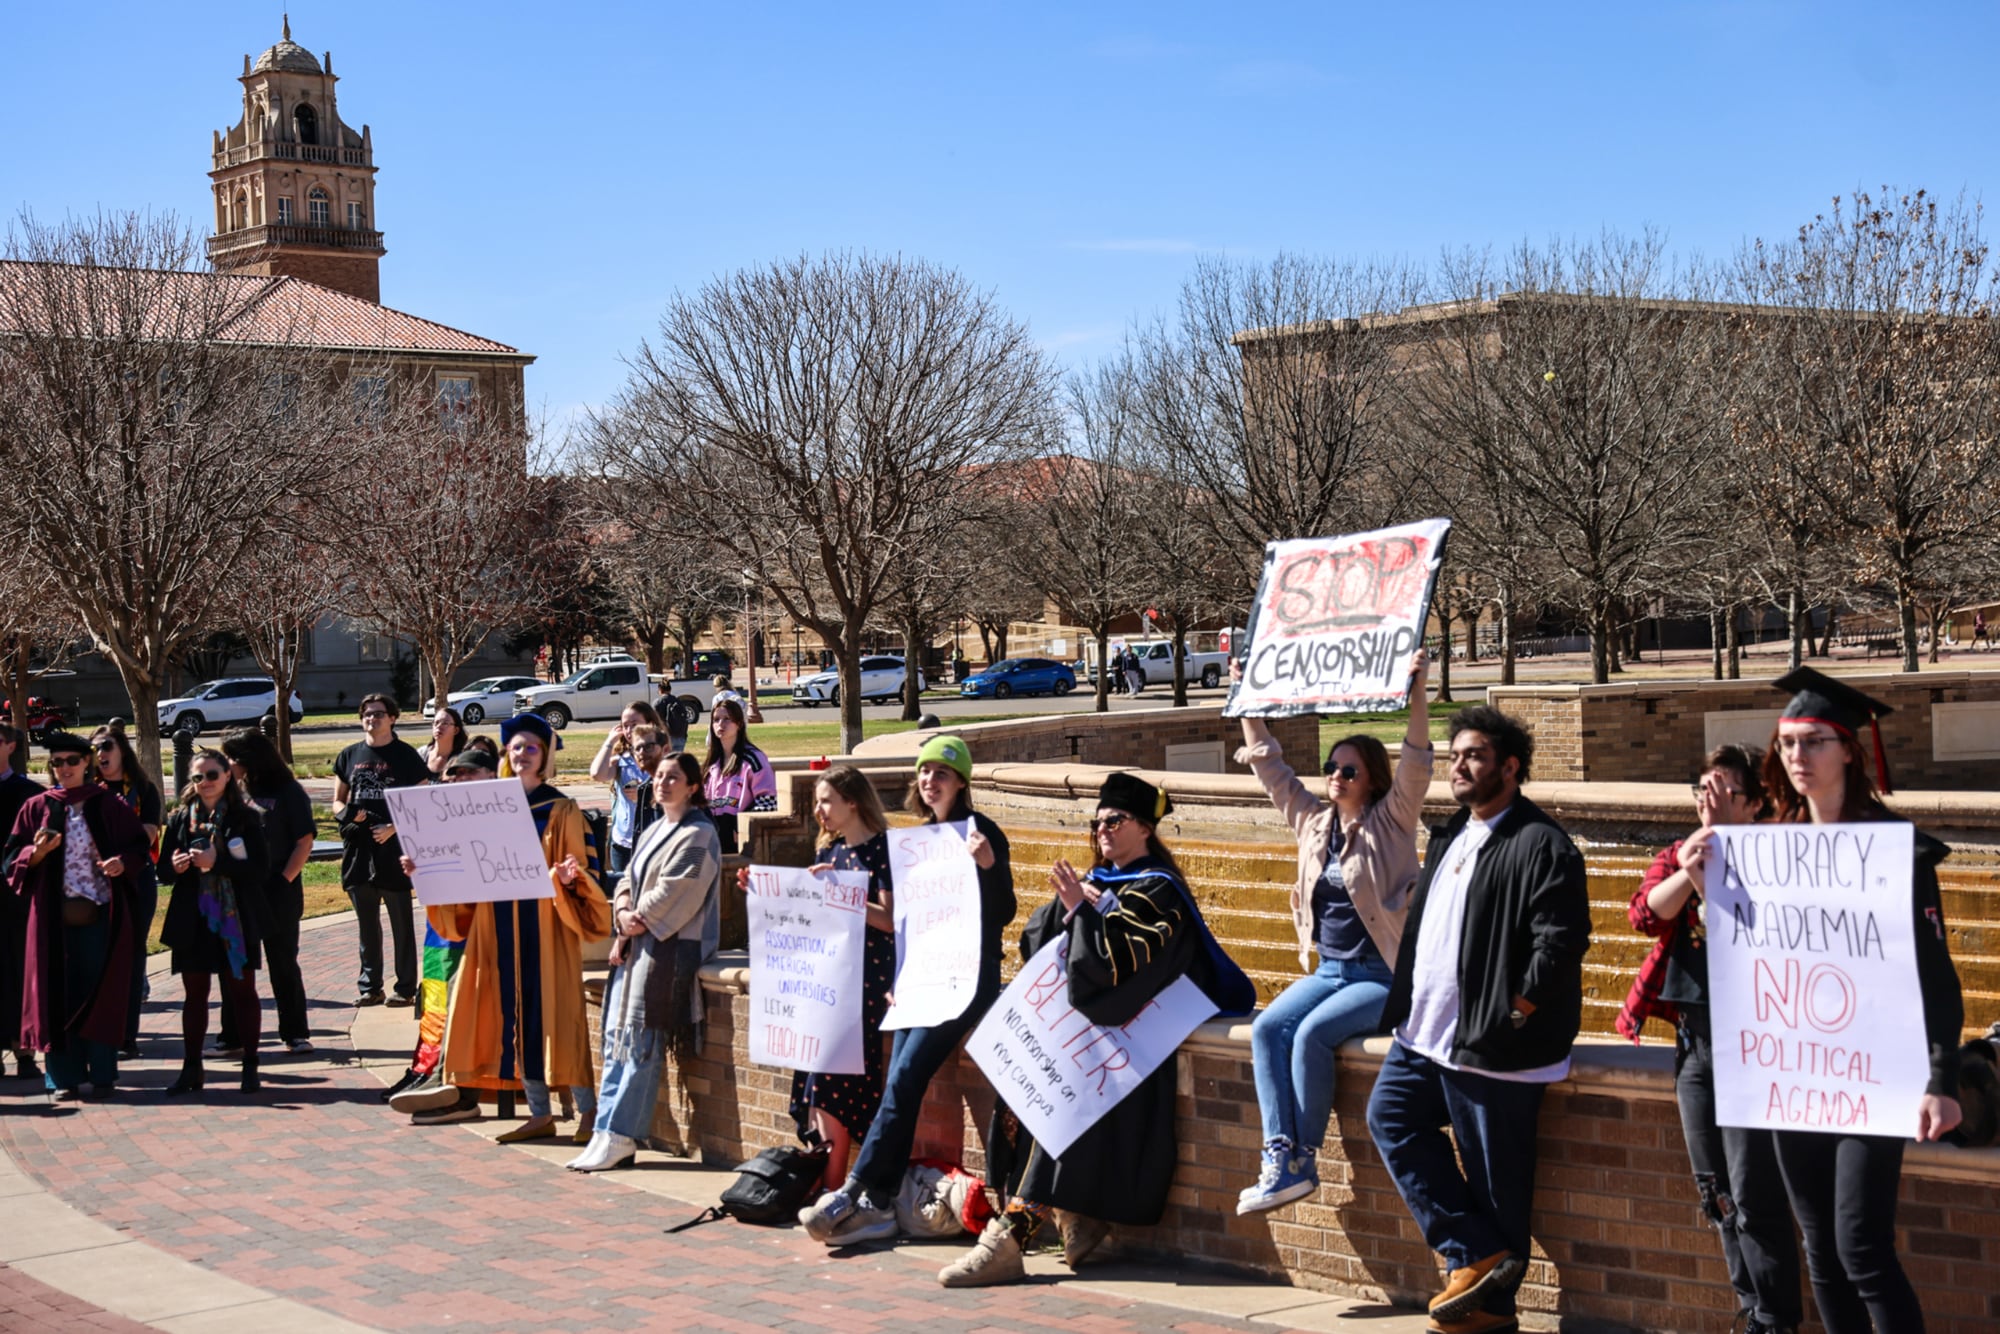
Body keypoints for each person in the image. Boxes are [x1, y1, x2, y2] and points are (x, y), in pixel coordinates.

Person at [940, 772, 1256, 1287]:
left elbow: (1114, 970)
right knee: (1032, 1101)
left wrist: (1081, 912)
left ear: (1146, 830)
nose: (1103, 829)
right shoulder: (1103, 880)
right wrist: (1070, 909)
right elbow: (1037, 944)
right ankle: (1078, 1217)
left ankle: (1008, 1239)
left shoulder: (1160, 894)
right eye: (1099, 820)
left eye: (1116, 820)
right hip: (1088, 1049)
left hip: (1130, 1061)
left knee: (1064, 1113)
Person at [1746, 668, 1963, 1334]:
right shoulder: (1771, 850)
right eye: (1788, 745)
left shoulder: (1895, 853)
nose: (1798, 758)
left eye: (1814, 742)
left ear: (1847, 750)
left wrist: (1941, 1079)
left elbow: (1937, 977)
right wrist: (1713, 888)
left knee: (1860, 1246)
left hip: (1877, 1071)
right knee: (1821, 1251)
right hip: (1798, 1071)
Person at [1364, 705, 1590, 1334]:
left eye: (1475, 756)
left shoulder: (1540, 843)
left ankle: (1492, 1311)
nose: (1459, 766)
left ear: (1509, 767)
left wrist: (1516, 1011)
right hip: (1425, 1036)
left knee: (1498, 1185)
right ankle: (1472, 1255)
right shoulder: (1450, 834)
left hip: (1496, 1046)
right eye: (1455, 755)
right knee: (1391, 1119)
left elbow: (1562, 940)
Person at [798, 735, 1017, 1245]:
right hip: (924, 975)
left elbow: (1003, 913)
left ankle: (858, 1191)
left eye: (941, 772)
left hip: (967, 978)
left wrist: (988, 868)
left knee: (904, 1079)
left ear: (961, 781)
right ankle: (878, 1200)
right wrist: (902, 980)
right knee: (901, 1079)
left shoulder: (982, 834)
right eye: (924, 772)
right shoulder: (920, 840)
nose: (930, 780)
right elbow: (911, 923)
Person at [1235, 652, 1432, 1214]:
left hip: (1382, 974)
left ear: (1371, 780)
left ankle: (1302, 1160)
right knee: (1268, 1028)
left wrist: (1417, 691)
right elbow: (1270, 767)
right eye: (1332, 767)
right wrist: (1248, 700)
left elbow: (1418, 760)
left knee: (1311, 1035)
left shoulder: (1392, 823)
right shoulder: (1313, 823)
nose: (1336, 776)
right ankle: (1278, 1153)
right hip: (1329, 970)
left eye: (1349, 770)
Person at [1616, 743, 1801, 1334]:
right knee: (1715, 1192)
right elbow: (1644, 913)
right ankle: (1749, 1311)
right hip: (1696, 1046)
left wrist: (1713, 876)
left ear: (1754, 804)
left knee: (1754, 1194)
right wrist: (1691, 871)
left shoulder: (1778, 858)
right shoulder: (1679, 852)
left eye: (1722, 792)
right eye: (1702, 790)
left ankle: (1776, 1319)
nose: (1708, 801)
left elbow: (1761, 937)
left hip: (1753, 1047)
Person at [428, 712, 612, 1143]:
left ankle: (588, 1112)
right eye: (517, 747)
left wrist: (570, 877)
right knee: (514, 1018)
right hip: (498, 926)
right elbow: (468, 871)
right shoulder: (490, 809)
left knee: (559, 1018)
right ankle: (539, 1113)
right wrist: (428, 869)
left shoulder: (562, 808)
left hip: (547, 926)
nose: (524, 754)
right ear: (506, 755)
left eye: (533, 747)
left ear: (544, 756)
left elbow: (587, 873)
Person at [569, 750, 722, 1171]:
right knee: (619, 1040)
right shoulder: (654, 829)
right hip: (635, 946)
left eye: (674, 778)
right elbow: (626, 881)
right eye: (660, 777)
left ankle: (621, 1135)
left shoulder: (700, 833)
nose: (663, 783)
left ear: (693, 787)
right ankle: (603, 1130)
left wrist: (639, 918)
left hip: (669, 953)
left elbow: (683, 886)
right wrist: (622, 914)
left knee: (641, 1044)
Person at [4, 731, 149, 1100]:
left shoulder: (108, 805)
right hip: (52, 920)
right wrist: (35, 855)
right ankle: (63, 1078)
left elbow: (138, 849)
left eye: (71, 761)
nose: (64, 768)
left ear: (87, 763)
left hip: (100, 917)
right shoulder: (37, 807)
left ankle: (102, 1074)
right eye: (56, 762)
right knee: (57, 995)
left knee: (100, 993)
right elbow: (10, 858)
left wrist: (121, 864)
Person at [786, 765, 897, 1191]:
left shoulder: (883, 851)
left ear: (853, 801)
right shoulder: (829, 853)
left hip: (864, 983)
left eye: (827, 800)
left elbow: (888, 920)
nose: (819, 810)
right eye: (816, 801)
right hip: (826, 982)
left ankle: (834, 1187)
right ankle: (822, 1180)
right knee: (813, 1078)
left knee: (833, 1084)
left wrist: (840, 893)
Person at [392, 746, 499, 1121]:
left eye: (469, 772)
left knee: (464, 1007)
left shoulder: (501, 817)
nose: (458, 779)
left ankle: (453, 1082)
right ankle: (426, 1069)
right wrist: (417, 869)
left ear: (491, 775)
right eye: (453, 774)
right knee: (436, 1000)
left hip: (484, 930)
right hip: (441, 932)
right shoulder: (437, 819)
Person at [158, 748, 271, 1095]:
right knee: (194, 995)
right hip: (193, 917)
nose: (204, 783)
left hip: (235, 918)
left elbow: (259, 869)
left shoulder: (246, 817)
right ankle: (192, 1067)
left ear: (227, 776)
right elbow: (162, 870)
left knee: (242, 992)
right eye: (197, 777)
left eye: (211, 775)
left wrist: (215, 862)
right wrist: (176, 866)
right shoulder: (180, 818)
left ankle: (250, 1065)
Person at [219, 729, 316, 1056]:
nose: (227, 763)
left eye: (231, 757)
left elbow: (304, 842)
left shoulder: (289, 792)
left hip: (278, 890)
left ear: (249, 759)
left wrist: (283, 880)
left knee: (283, 963)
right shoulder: (232, 792)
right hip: (239, 891)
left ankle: (295, 1033)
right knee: (235, 964)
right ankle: (231, 1035)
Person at [331, 694, 431, 1006]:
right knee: (366, 928)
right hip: (360, 854)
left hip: (394, 853)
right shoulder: (349, 755)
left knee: (401, 924)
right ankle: (370, 987)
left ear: (393, 718)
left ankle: (404, 988)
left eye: (378, 714)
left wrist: (393, 828)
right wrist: (348, 817)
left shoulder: (405, 756)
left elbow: (422, 802)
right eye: (367, 714)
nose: (372, 719)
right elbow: (337, 801)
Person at [91, 725, 162, 1058]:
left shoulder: (143, 790)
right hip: (91, 883)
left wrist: (117, 816)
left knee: (131, 958)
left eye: (106, 746)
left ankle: (127, 1038)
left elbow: (148, 833)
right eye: (94, 748)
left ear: (122, 750)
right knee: (94, 958)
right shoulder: (87, 789)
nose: (100, 753)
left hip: (135, 880)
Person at [0, 725, 47, 1079]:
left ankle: (24, 1050)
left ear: (11, 745)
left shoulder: (29, 795)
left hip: (17, 897)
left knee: (20, 970)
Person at [587, 703, 666, 888]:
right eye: (625, 725)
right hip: (623, 843)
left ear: (650, 724)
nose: (629, 730)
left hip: (653, 842)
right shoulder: (620, 760)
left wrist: (646, 797)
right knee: (624, 894)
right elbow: (597, 773)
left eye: (635, 724)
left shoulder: (664, 758)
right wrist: (609, 742)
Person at [702, 698, 776, 856]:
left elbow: (769, 802)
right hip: (713, 837)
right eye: (716, 720)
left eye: (727, 719)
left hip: (740, 839)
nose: (720, 724)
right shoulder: (711, 764)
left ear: (739, 724)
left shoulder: (753, 759)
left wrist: (741, 826)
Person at [419, 707, 467, 781]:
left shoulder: (463, 758)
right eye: (436, 723)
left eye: (445, 723)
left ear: (456, 730)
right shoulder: (421, 754)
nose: (439, 726)